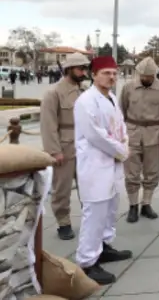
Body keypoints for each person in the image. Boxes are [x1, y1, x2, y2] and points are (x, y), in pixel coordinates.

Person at [73, 56, 133, 284]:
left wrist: (124, 143)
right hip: (96, 163)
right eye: (106, 73)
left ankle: (104, 246)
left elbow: (121, 125)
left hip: (114, 161)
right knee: (95, 211)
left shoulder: (111, 98)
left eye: (114, 73)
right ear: (94, 74)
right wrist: (120, 149)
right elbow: (95, 134)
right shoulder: (86, 101)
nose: (111, 77)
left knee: (110, 207)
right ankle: (87, 261)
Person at [40, 52, 90, 240]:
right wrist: (54, 151)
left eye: (85, 68)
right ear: (69, 69)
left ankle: (89, 218)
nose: (84, 72)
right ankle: (63, 222)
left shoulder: (84, 91)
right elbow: (48, 125)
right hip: (64, 145)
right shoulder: (54, 93)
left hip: (85, 145)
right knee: (62, 187)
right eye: (80, 68)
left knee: (87, 186)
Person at [119, 57, 159, 222]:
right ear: (139, 74)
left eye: (150, 76)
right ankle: (133, 205)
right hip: (132, 132)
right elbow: (121, 111)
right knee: (131, 173)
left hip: (153, 133)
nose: (147, 79)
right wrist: (121, 134)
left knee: (152, 171)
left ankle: (147, 203)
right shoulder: (128, 88)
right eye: (144, 76)